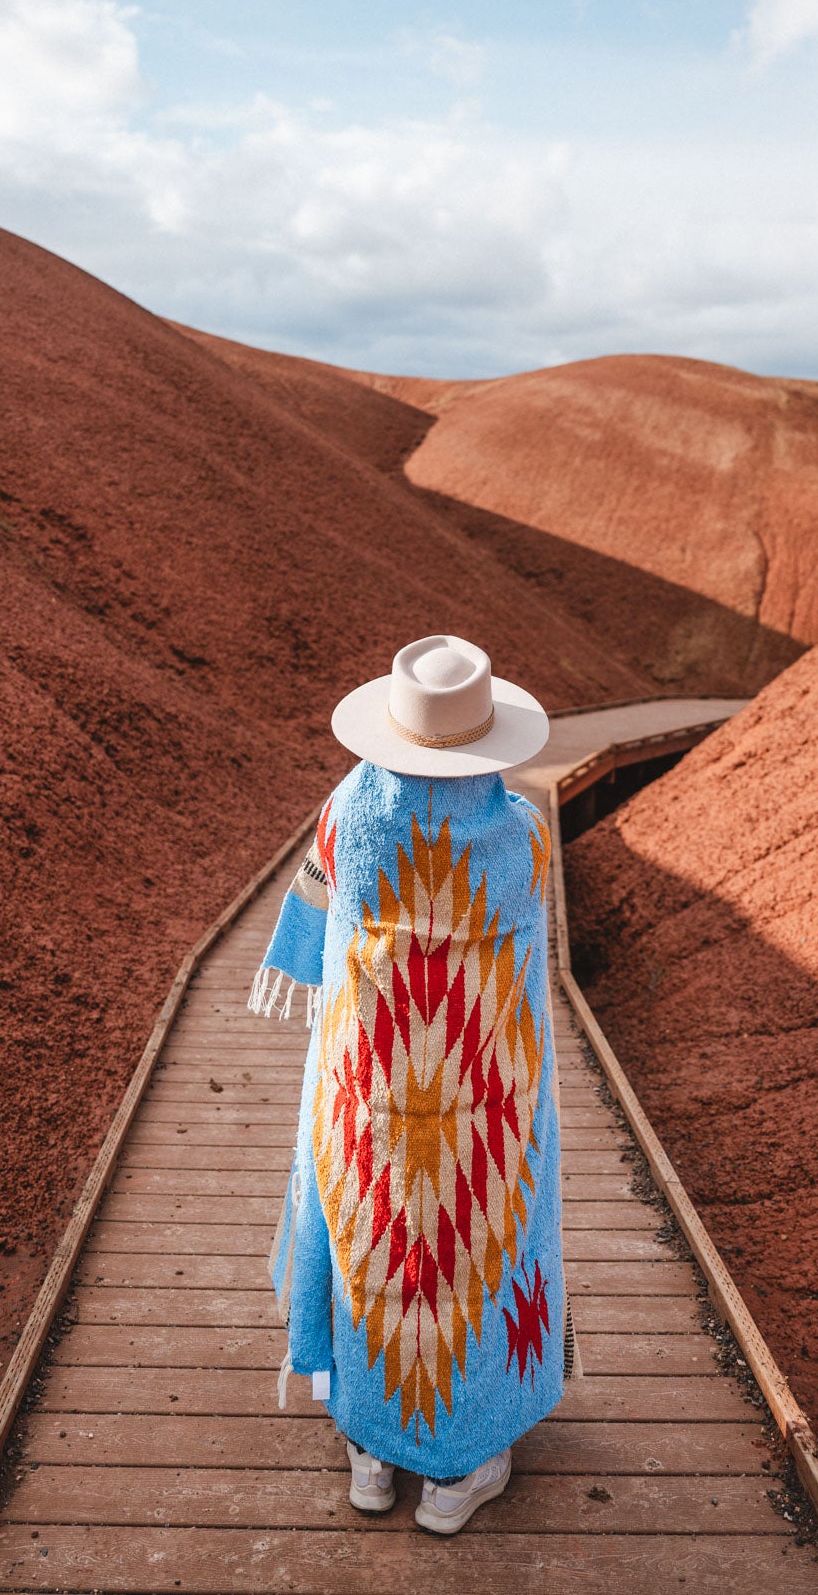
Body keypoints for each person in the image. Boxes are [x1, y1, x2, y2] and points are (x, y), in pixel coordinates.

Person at [249, 635, 578, 1533]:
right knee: (477, 1250)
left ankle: (368, 1451)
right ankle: (457, 1470)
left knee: (373, 1240)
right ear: (489, 737)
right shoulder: (525, 839)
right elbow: (524, 996)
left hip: (368, 1102)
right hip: (484, 1115)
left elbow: (323, 934)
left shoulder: (345, 818)